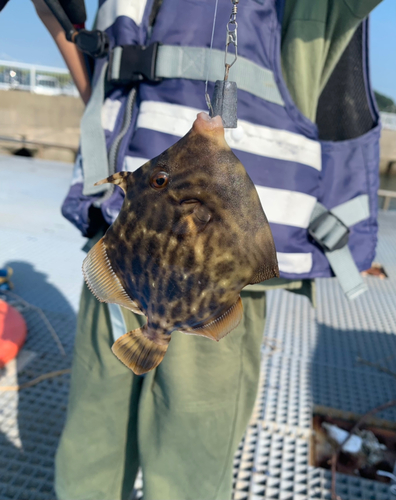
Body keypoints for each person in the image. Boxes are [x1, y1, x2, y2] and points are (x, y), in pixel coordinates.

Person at [31, 0, 382, 499]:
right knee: (92, 438)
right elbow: (91, 58)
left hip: (212, 286)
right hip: (119, 248)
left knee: (189, 460)